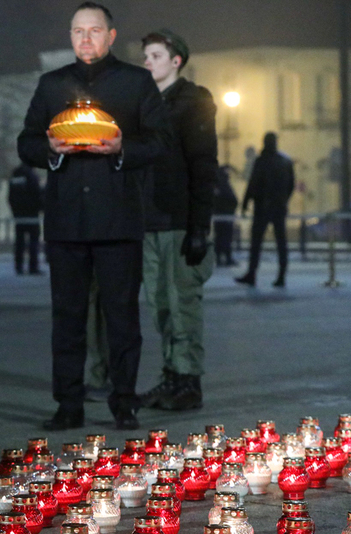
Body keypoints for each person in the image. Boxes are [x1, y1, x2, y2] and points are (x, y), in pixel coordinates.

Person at [17, 2, 172, 430]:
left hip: (119, 220)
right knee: (67, 318)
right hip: (66, 221)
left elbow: (161, 140)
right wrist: (50, 149)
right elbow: (26, 142)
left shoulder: (136, 82)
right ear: (71, 36)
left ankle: (124, 403)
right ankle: (69, 404)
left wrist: (122, 148)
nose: (85, 38)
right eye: (78, 31)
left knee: (122, 318)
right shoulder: (52, 84)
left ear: (111, 35)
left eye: (94, 30)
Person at [138, 30, 218, 412]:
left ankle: (188, 382)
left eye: (155, 55)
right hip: (149, 221)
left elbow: (203, 165)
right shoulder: (144, 103)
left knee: (182, 302)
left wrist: (199, 226)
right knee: (160, 305)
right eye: (146, 56)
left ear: (176, 61)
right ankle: (172, 375)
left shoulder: (193, 101)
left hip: (179, 221)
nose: (147, 61)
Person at [235, 132, 295, 288]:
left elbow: (253, 183)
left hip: (262, 207)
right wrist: (283, 200)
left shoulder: (261, 161)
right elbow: (291, 185)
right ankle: (281, 275)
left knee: (256, 243)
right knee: (281, 242)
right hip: (279, 207)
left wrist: (245, 203)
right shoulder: (285, 161)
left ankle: (252, 273)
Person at [8, 163, 43, 275]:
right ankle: (33, 267)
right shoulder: (31, 175)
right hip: (32, 214)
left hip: (19, 214)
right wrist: (40, 208)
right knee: (33, 242)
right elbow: (37, 194)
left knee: (19, 242)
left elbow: (11, 195)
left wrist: (15, 211)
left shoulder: (16, 173)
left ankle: (19, 266)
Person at [213, 165, 238, 266]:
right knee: (225, 237)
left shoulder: (219, 184)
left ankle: (221, 257)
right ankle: (226, 257)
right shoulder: (223, 184)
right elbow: (230, 199)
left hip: (222, 214)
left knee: (220, 237)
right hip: (225, 214)